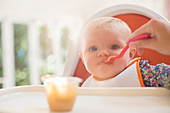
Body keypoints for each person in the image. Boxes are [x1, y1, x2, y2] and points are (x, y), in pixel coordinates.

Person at [79, 17, 170, 88]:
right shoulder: (86, 87)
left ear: (130, 53)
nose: (103, 53)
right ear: (82, 58)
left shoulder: (144, 74)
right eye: (93, 49)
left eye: (114, 47)